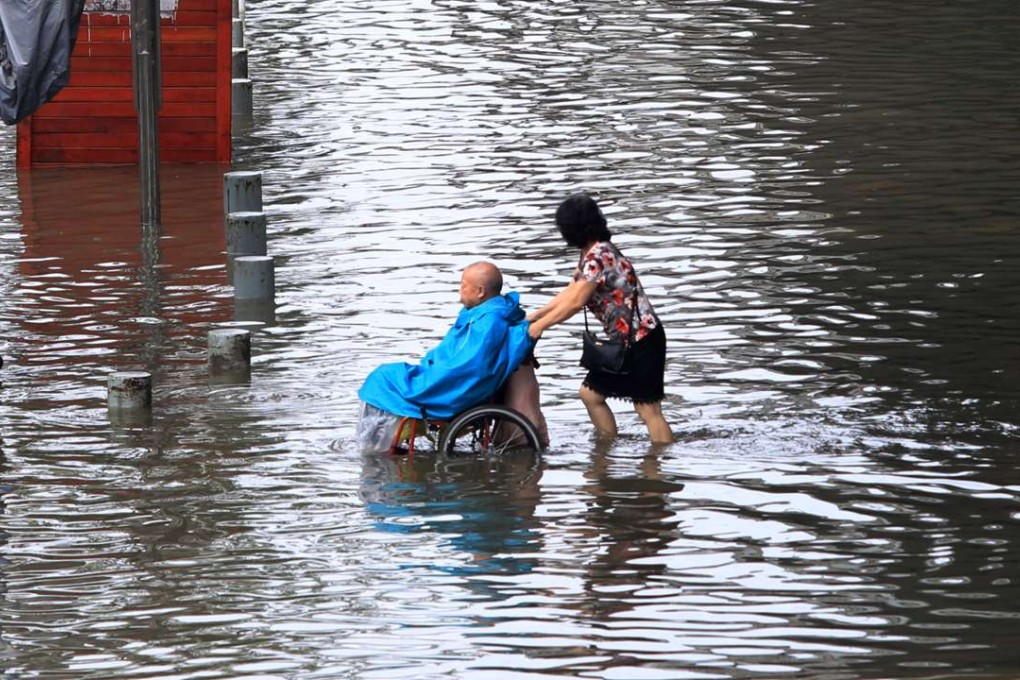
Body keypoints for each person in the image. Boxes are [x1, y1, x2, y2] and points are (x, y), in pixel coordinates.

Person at [527, 194, 674, 444]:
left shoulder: (599, 256)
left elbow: (576, 302)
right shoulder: (591, 253)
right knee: (590, 395)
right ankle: (608, 447)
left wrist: (539, 327)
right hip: (630, 341)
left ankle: (658, 466)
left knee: (648, 410)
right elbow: (570, 293)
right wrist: (535, 316)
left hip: (644, 339)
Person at [357, 261, 547, 452]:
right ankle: (380, 440)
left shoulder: (487, 322)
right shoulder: (491, 314)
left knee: (382, 378)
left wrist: (432, 369)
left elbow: (465, 366)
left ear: (480, 291)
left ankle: (375, 446)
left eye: (463, 286)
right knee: (386, 375)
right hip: (451, 376)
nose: (459, 291)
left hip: (453, 387)